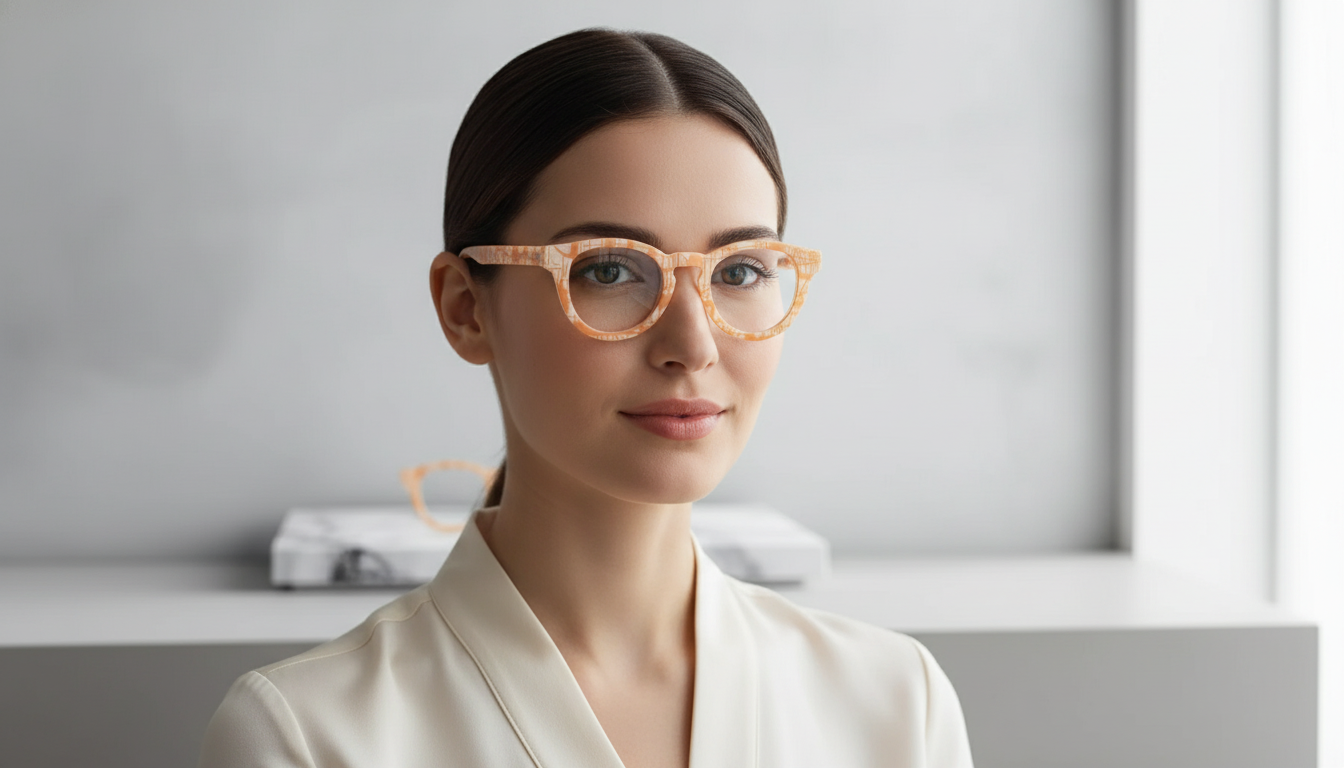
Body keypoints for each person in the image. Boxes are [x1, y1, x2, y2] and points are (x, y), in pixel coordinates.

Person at [198, 27, 974, 768]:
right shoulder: (310, 737)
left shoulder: (893, 704)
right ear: (466, 309)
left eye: (739, 271)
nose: (693, 345)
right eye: (609, 269)